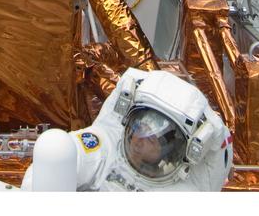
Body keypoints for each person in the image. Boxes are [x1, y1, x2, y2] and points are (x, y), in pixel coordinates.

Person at [22, 67, 232, 192]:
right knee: (55, 147)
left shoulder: (181, 192)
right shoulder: (107, 145)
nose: (139, 139)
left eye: (151, 139)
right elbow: (68, 154)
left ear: (171, 150)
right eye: (138, 128)